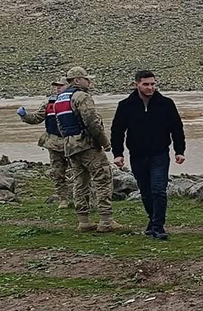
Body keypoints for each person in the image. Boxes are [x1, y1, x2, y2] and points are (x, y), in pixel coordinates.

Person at [110, 70, 187, 240]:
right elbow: (117, 131)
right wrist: (118, 154)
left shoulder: (166, 103)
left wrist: (179, 151)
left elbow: (177, 128)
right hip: (137, 155)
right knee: (145, 191)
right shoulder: (125, 105)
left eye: (153, 84)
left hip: (159, 154)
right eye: (146, 84)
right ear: (136, 84)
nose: (150, 87)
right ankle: (152, 221)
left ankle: (158, 226)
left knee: (159, 189)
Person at [56, 66, 124, 232]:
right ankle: (106, 220)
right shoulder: (82, 97)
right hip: (87, 145)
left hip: (70, 146)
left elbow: (60, 126)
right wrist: (105, 143)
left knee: (80, 182)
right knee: (102, 179)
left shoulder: (59, 99)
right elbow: (92, 122)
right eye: (86, 78)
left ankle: (83, 220)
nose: (89, 81)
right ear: (77, 80)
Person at [17, 79, 73, 208]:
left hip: (73, 142)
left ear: (68, 86)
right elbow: (37, 118)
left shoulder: (75, 100)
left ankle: (84, 198)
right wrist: (25, 115)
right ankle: (63, 200)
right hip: (53, 143)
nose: (57, 88)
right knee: (57, 173)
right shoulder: (48, 103)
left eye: (61, 86)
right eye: (56, 86)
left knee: (79, 171)